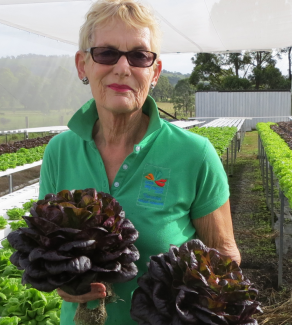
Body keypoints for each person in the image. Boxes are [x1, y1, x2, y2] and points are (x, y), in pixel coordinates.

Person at [37, 0, 241, 323]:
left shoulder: (196, 155)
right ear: (82, 65)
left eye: (139, 56)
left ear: (155, 71)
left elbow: (225, 258)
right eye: (106, 52)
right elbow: (45, 248)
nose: (123, 67)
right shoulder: (59, 153)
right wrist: (63, 283)